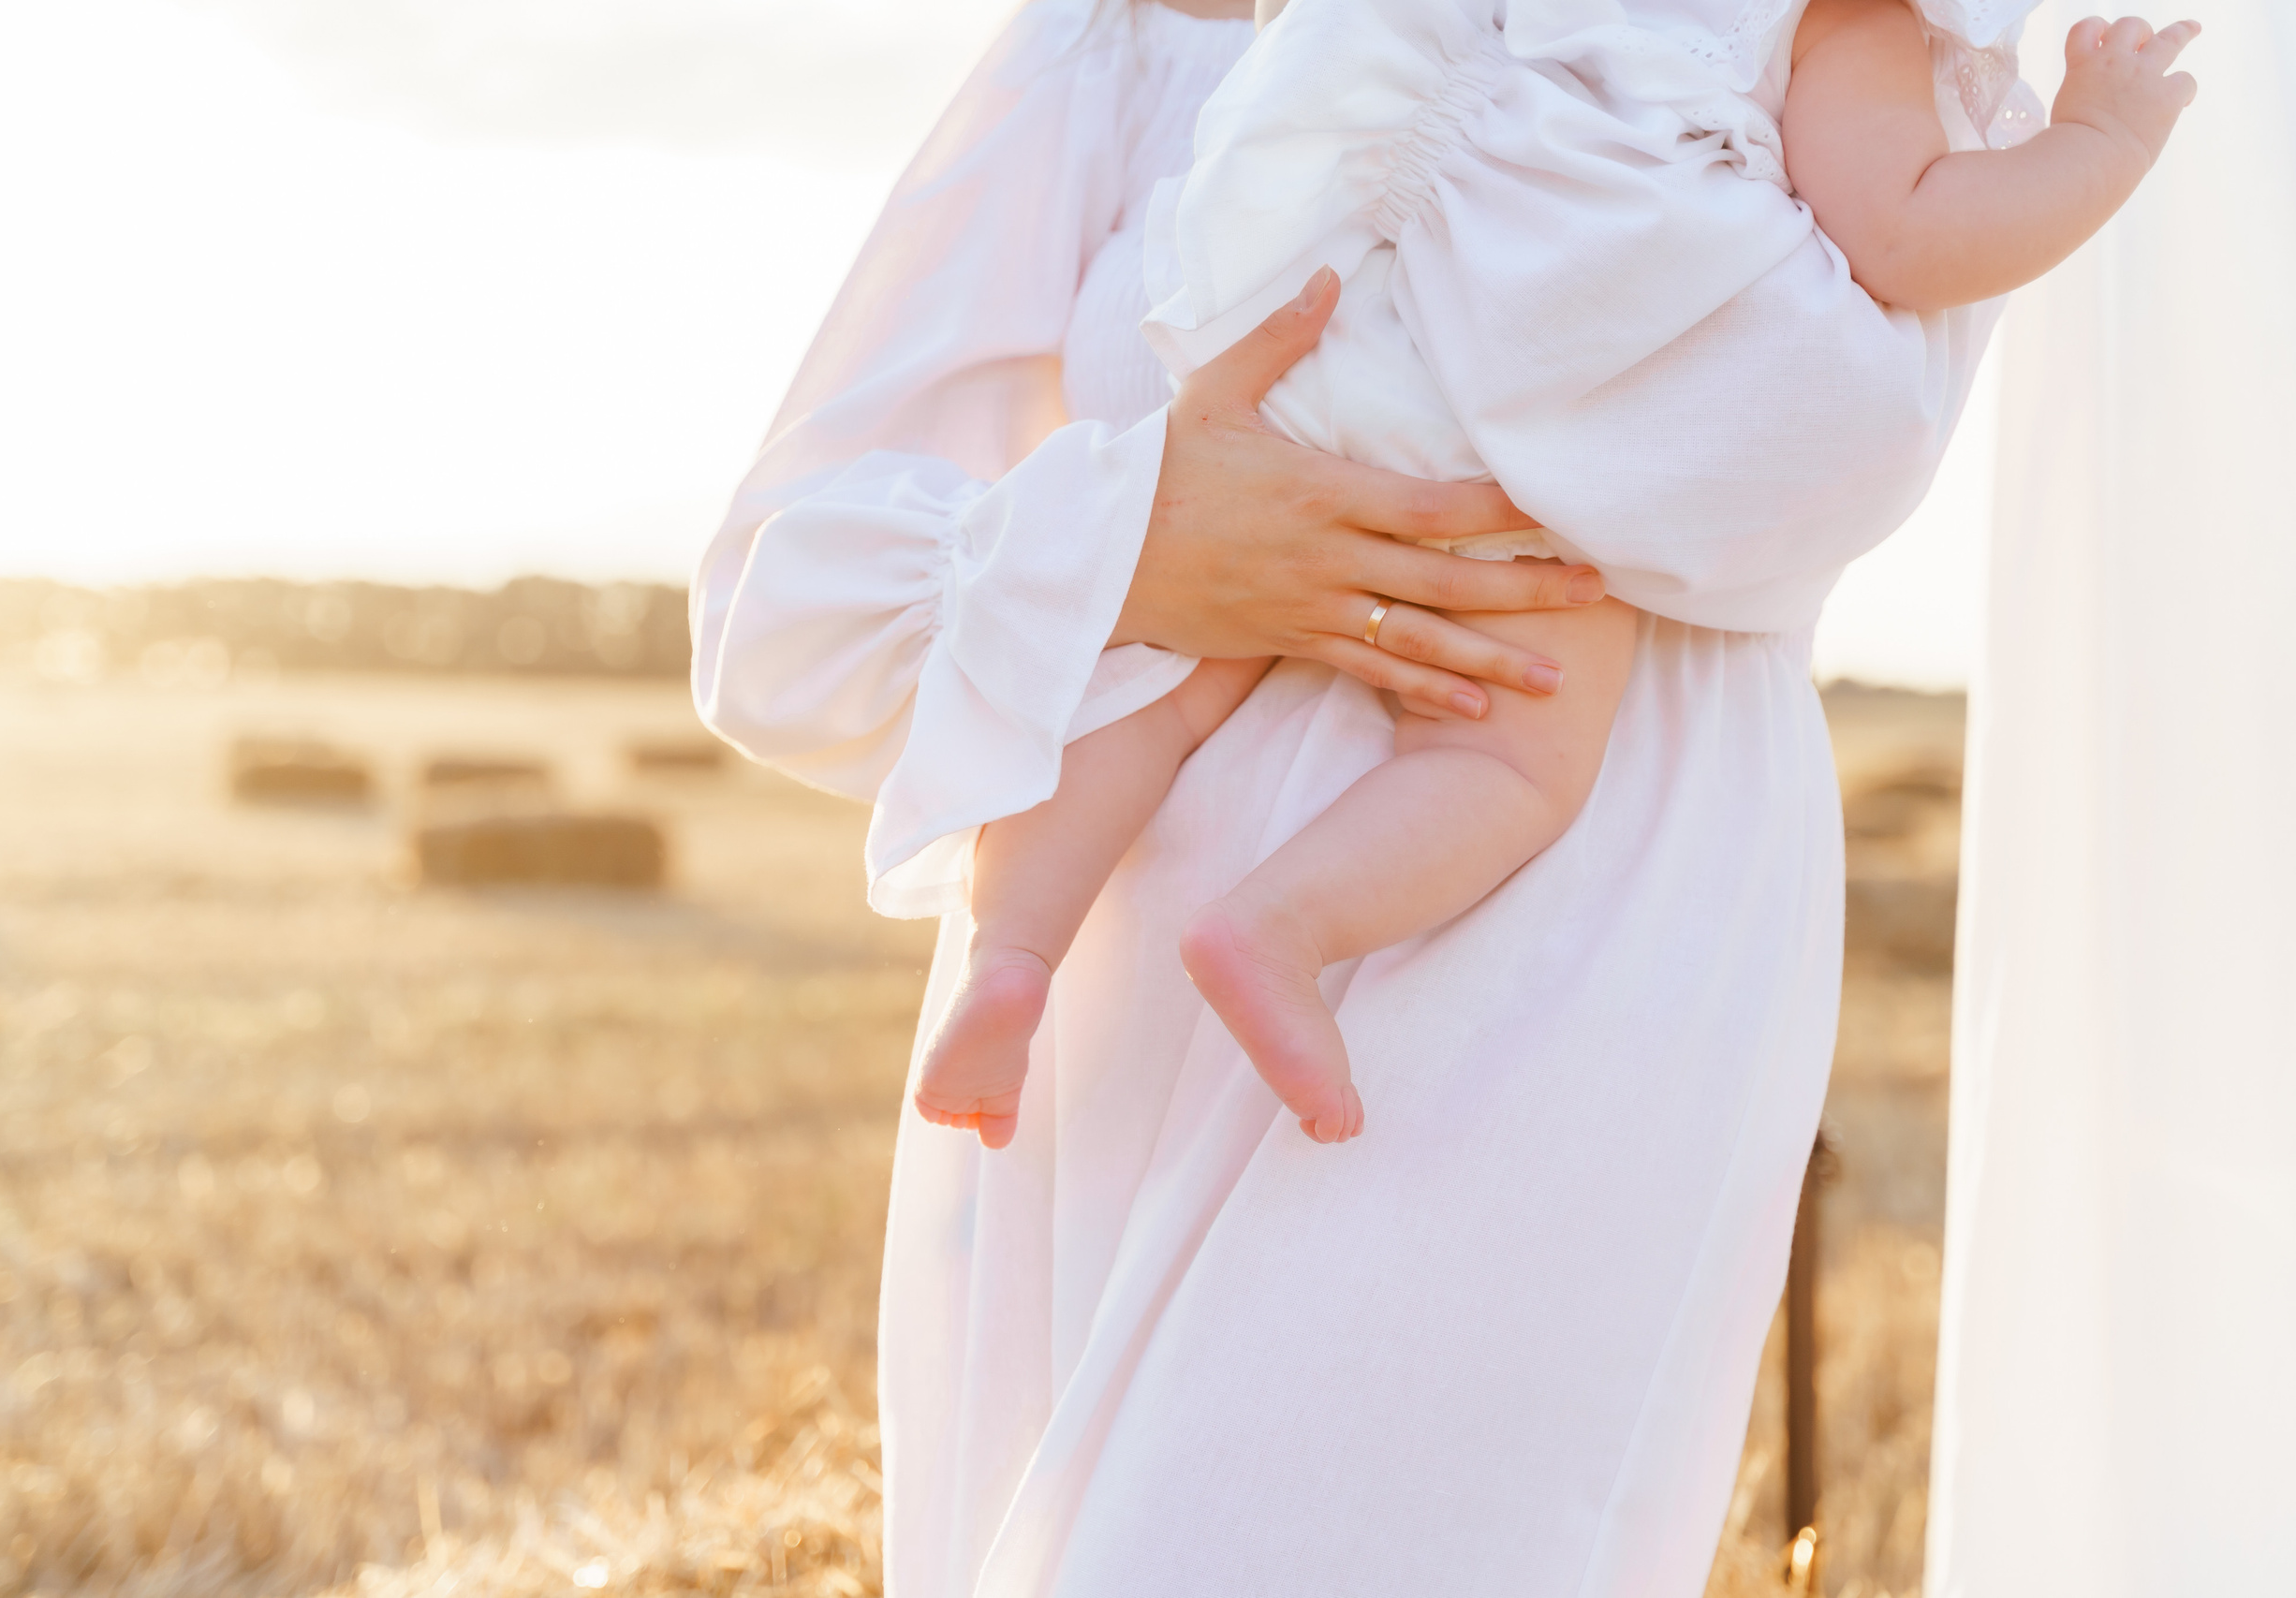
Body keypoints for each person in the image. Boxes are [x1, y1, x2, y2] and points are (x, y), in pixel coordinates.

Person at [695, 0, 2043, 1590]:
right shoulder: (1120, 39)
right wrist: (1134, 538)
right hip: (1113, 993)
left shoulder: (1836, 40)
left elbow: (1847, 434)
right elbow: (773, 614)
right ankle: (1022, 954)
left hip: (1568, 954)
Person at [910, 0, 2199, 1151]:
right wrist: (2102, 141)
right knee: (1512, 757)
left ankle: (1010, 954)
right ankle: (1279, 927)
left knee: (1166, 672)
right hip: (1505, 438)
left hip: (1338, 322)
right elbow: (1907, 235)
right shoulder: (1841, 22)